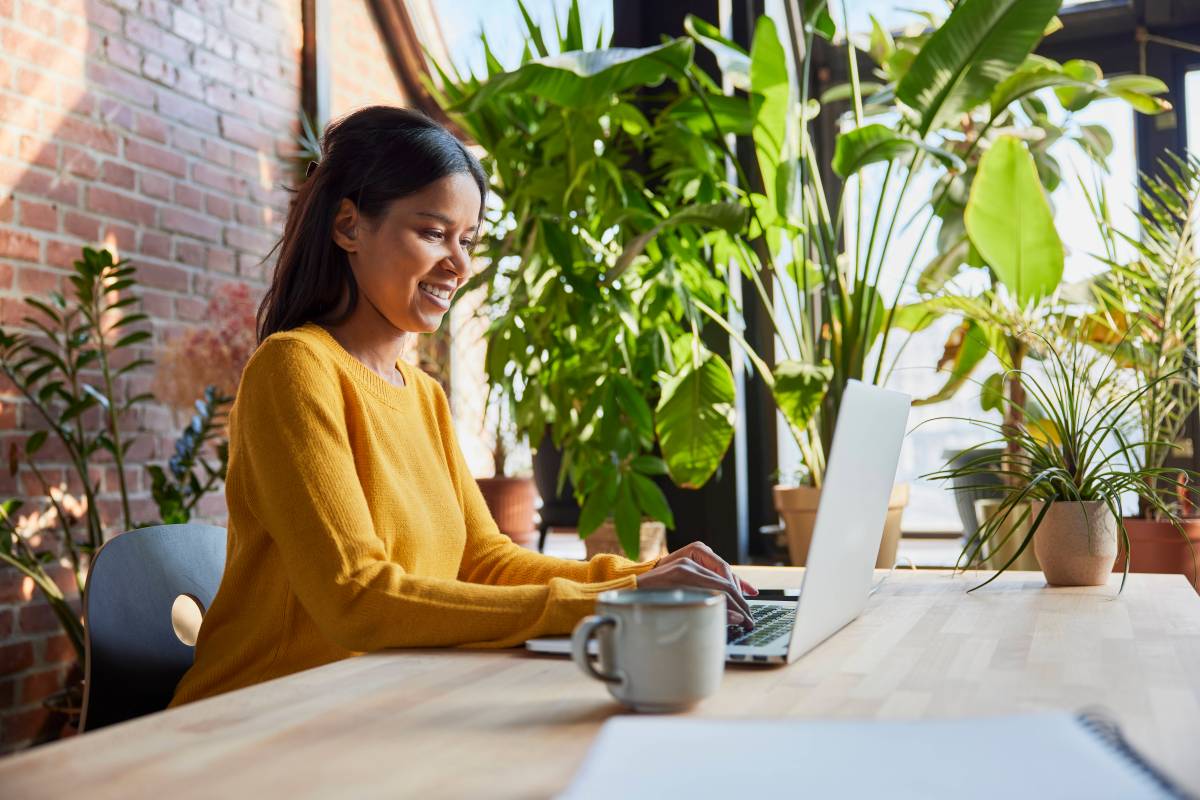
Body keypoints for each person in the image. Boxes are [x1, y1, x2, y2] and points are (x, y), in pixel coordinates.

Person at [170, 106, 755, 707]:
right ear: (348, 226)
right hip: (255, 718)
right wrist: (616, 602)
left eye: (467, 240)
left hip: (373, 705)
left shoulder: (422, 394)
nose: (460, 264)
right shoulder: (295, 368)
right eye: (431, 233)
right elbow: (358, 600)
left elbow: (486, 562)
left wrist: (643, 579)